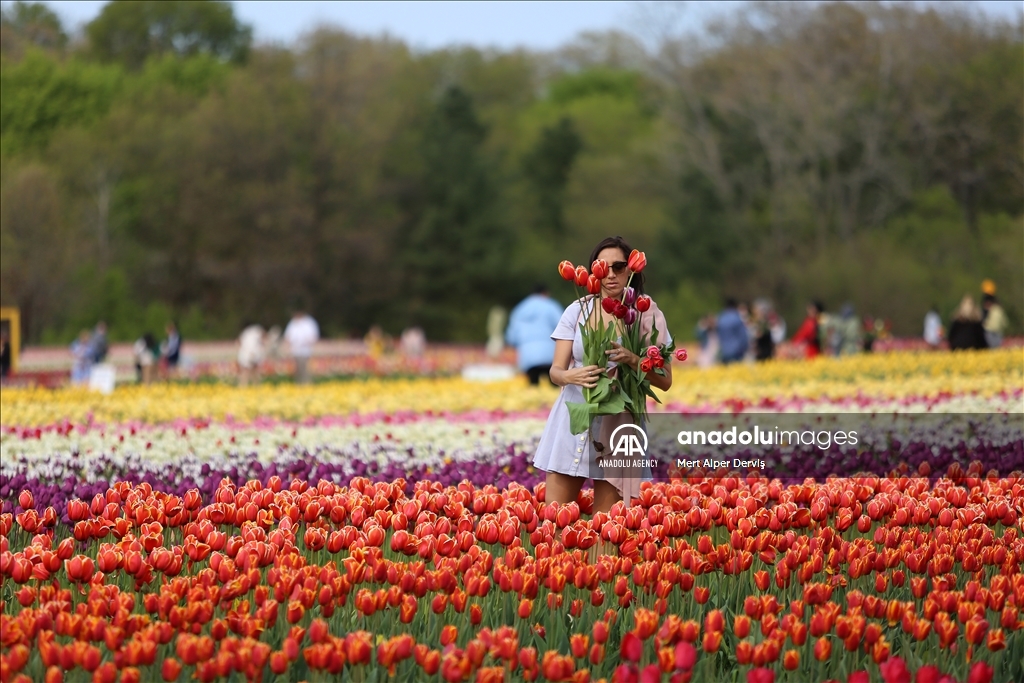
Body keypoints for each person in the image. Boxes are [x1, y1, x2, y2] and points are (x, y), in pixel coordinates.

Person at [533, 236, 673, 515]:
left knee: (606, 531)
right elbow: (555, 371)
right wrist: (571, 377)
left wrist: (633, 359)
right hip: (574, 418)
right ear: (593, 271)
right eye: (602, 266)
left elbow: (665, 380)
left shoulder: (645, 313)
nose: (610, 274)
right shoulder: (578, 309)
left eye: (619, 266)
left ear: (632, 270)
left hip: (619, 424)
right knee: (554, 522)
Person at [505, 285, 564, 386]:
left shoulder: (520, 308)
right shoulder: (551, 306)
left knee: (533, 385)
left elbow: (512, 334)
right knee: (554, 386)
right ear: (545, 293)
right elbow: (563, 326)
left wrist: (512, 343)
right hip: (549, 352)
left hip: (528, 355)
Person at [284, 309, 319, 384]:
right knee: (297, 371)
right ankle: (298, 385)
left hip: (306, 351)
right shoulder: (293, 323)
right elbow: (288, 337)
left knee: (306, 371)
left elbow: (313, 337)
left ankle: (307, 384)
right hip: (295, 351)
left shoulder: (309, 322)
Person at [716, 298, 749, 365]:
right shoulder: (736, 318)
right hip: (736, 351)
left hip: (724, 350)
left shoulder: (721, 318)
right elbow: (743, 336)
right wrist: (745, 347)